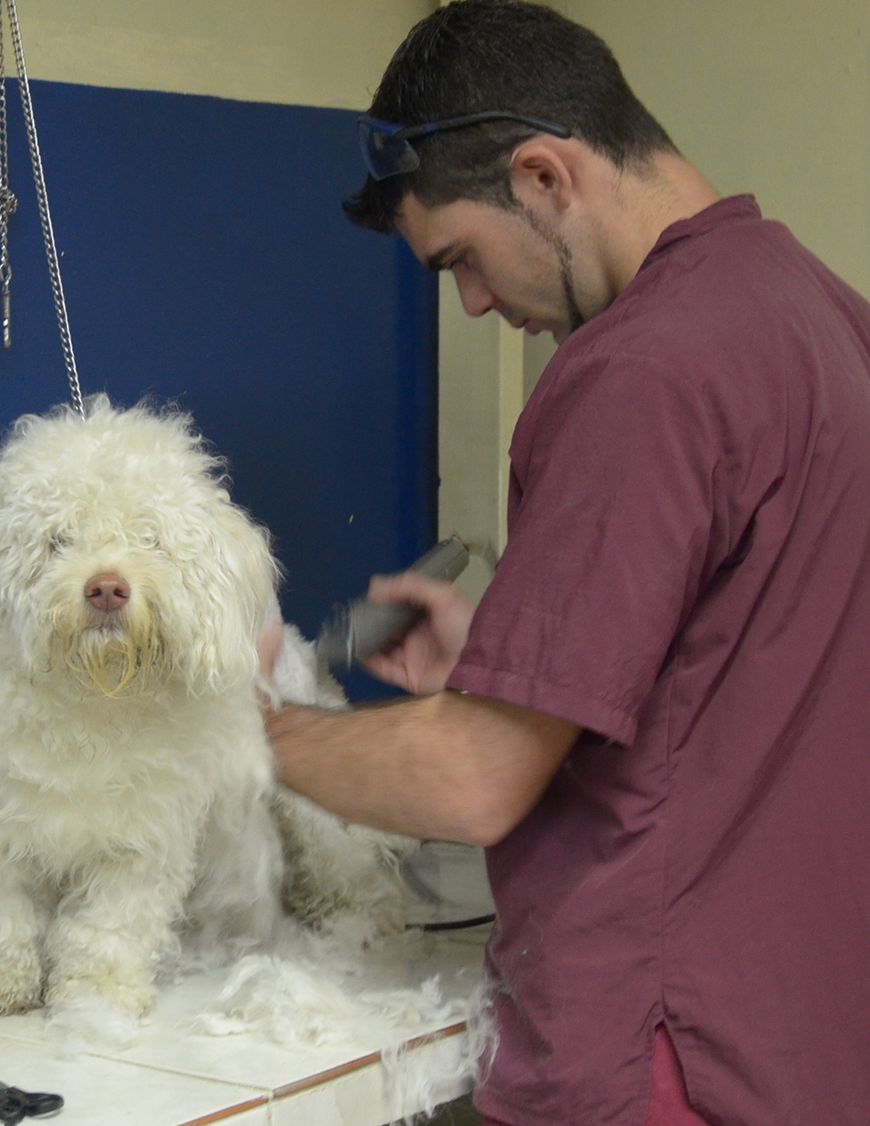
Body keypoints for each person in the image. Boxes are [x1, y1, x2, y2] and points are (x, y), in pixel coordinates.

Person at [262, 3, 870, 1124]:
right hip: (806, 1039)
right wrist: (504, 671)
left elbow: (474, 781)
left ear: (544, 177)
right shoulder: (827, 318)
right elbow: (746, 673)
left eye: (463, 260)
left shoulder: (634, 371)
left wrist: (243, 733)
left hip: (664, 1053)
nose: (478, 304)